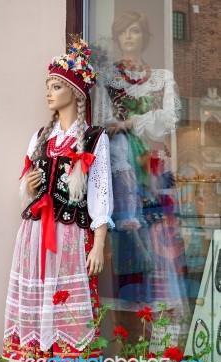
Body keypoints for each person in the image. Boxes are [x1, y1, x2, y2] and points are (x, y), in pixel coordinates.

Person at [2, 37, 114, 362]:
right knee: (34, 317)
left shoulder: (95, 139)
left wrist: (98, 245)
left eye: (55, 86)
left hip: (70, 240)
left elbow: (100, 197)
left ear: (75, 91)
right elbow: (30, 189)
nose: (48, 94)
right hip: (35, 238)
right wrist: (30, 185)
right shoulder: (40, 137)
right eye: (48, 87)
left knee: (76, 320)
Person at [93, 11, 190, 341]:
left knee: (159, 240)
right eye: (123, 33)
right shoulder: (107, 77)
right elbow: (99, 121)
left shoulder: (161, 77)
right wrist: (120, 129)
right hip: (123, 172)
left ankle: (161, 341)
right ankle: (127, 343)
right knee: (129, 250)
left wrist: (136, 122)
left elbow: (170, 119)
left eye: (135, 31)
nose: (129, 37)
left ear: (145, 37)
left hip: (154, 166)